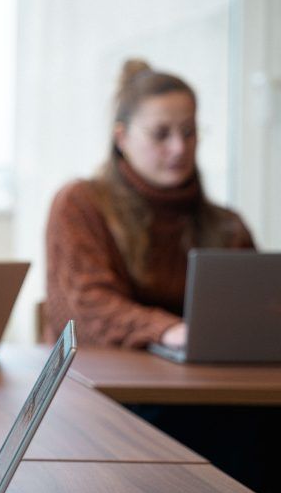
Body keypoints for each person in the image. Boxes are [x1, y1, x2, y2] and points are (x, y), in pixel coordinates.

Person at [44, 58, 255, 349]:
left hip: (206, 385)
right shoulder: (81, 205)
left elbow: (256, 316)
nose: (179, 148)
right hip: (99, 384)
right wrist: (168, 331)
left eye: (189, 132)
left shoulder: (228, 226)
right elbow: (86, 311)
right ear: (122, 138)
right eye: (160, 134)